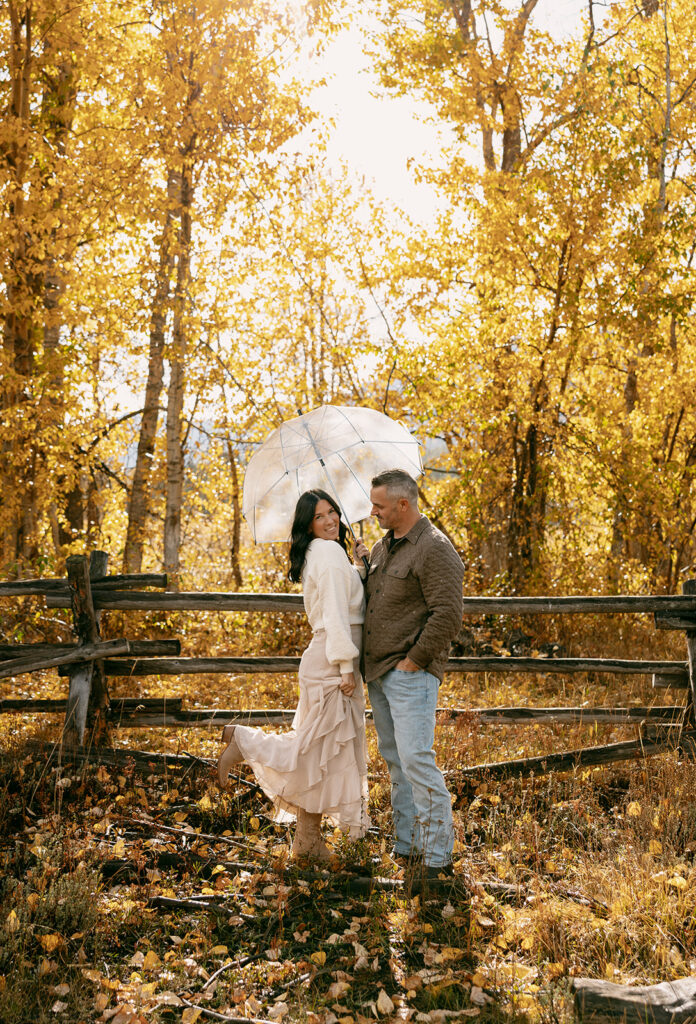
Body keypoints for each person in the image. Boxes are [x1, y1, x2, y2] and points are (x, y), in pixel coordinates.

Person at [217, 489, 370, 862]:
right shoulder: (330, 554)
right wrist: (347, 668)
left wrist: (362, 568)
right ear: (308, 525)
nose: (331, 519)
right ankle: (244, 741)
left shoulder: (324, 554)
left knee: (322, 755)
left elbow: (341, 598)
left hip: (328, 660)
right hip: (334, 665)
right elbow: (335, 615)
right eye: (320, 516)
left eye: (333, 511)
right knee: (311, 750)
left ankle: (307, 841)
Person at [354, 469, 464, 885]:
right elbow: (380, 601)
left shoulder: (435, 549)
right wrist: (365, 567)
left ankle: (438, 860)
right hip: (380, 673)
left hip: (408, 674)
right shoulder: (385, 546)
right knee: (396, 762)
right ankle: (408, 846)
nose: (373, 511)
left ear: (404, 504)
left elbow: (448, 614)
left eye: (379, 505)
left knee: (418, 761)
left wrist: (414, 661)